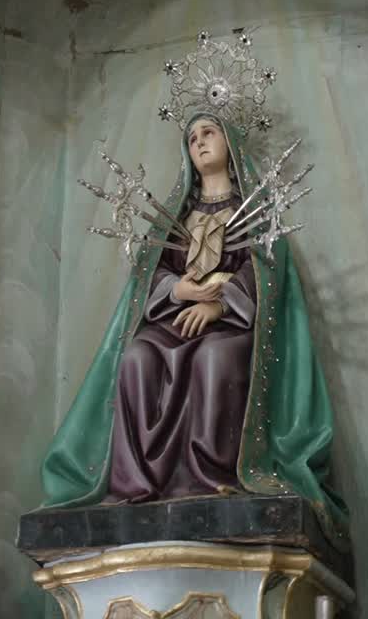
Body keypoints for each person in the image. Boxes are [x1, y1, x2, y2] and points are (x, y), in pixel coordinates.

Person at [39, 111, 346, 537]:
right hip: (175, 319)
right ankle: (138, 483)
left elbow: (270, 275)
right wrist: (179, 292)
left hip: (230, 326)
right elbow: (150, 274)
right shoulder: (175, 216)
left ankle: (212, 476)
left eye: (209, 133)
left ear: (230, 143)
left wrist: (220, 305)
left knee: (214, 358)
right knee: (137, 357)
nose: (199, 142)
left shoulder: (253, 211)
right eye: (192, 138)